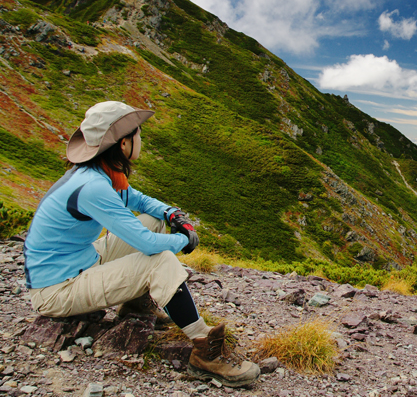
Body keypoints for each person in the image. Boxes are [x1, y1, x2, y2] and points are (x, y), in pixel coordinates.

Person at [23, 101, 259, 388]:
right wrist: (182, 239)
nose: (141, 139)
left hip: (79, 262)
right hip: (56, 290)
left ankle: (135, 306)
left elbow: (140, 201)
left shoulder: (98, 174)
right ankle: (204, 352)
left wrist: (172, 214)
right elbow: (146, 245)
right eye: (138, 134)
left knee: (154, 219)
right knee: (158, 259)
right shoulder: (93, 188)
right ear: (123, 143)